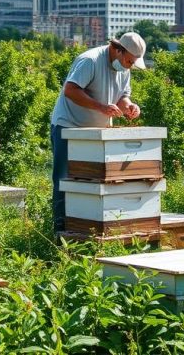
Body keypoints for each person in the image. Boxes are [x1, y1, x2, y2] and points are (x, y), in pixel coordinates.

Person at [49, 32, 146, 232]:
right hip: (69, 127)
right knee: (64, 179)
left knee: (91, 182)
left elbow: (123, 96)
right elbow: (71, 90)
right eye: (129, 61)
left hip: (96, 132)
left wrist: (129, 106)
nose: (130, 65)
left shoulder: (124, 68)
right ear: (118, 50)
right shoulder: (90, 61)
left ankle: (85, 227)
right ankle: (60, 229)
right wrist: (101, 107)